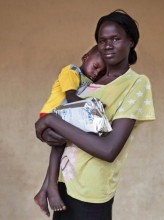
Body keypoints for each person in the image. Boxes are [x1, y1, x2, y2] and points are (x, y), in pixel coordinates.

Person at [34, 9, 155, 220]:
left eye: (116, 38)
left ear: (131, 42)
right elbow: (63, 133)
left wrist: (51, 121)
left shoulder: (136, 83)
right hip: (63, 185)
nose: (108, 45)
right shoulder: (87, 82)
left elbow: (108, 150)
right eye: (102, 40)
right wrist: (47, 133)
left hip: (92, 192)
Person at [34, 46, 106, 216]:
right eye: (96, 67)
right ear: (85, 57)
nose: (97, 73)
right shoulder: (71, 71)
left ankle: (43, 191)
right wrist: (93, 106)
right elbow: (71, 97)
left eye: (101, 72)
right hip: (52, 114)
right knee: (58, 147)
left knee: (61, 148)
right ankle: (51, 187)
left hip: (64, 117)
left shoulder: (88, 82)